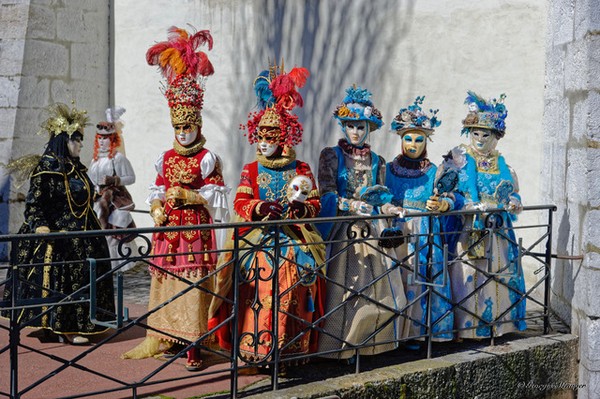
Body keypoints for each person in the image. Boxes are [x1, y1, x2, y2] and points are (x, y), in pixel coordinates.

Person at [122, 26, 230, 371]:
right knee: (164, 280)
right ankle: (160, 336)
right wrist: (154, 206)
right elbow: (156, 186)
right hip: (168, 231)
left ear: (197, 124)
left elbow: (218, 195)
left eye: (188, 127)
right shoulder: (165, 156)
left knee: (193, 281)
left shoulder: (207, 157)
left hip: (195, 231)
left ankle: (194, 344)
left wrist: (190, 195)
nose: (183, 132)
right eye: (178, 128)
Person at [208, 63, 325, 367]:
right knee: (258, 278)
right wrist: (261, 208)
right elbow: (241, 202)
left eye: (270, 137)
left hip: (293, 235)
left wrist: (302, 208)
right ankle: (257, 348)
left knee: (300, 276)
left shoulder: (301, 169)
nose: (263, 142)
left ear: (283, 137)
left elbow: (315, 202)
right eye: (260, 136)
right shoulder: (251, 169)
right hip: (258, 236)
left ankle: (290, 349)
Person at [1, 102, 115, 345]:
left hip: (85, 233)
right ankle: (64, 327)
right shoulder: (47, 169)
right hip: (59, 236)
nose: (81, 145)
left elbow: (79, 197)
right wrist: (41, 226)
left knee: (88, 272)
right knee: (66, 273)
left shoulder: (77, 168)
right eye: (77, 140)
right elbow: (34, 204)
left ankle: (89, 321)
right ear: (65, 140)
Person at [316, 86, 405, 360]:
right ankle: (338, 346)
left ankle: (371, 343)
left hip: (370, 231)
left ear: (370, 128)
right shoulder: (331, 155)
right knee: (344, 286)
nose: (355, 132)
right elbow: (327, 194)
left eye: (360, 126)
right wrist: (351, 204)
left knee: (373, 286)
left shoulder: (378, 161)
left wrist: (391, 207)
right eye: (350, 126)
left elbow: (381, 195)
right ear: (343, 126)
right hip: (343, 232)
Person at [446, 91, 526, 339]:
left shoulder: (505, 167)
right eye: (475, 133)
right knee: (469, 275)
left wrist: (513, 202)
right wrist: (467, 205)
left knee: (497, 276)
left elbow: (515, 194)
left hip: (499, 233)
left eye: (486, 134)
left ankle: (498, 326)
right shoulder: (457, 161)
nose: (480, 139)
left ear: (496, 137)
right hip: (469, 229)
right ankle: (468, 329)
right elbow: (448, 193)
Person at [381, 97, 458, 346]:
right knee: (396, 279)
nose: (412, 144)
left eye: (418, 139)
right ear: (401, 139)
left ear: (426, 141)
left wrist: (440, 205)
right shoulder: (387, 170)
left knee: (421, 278)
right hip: (397, 231)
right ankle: (394, 335)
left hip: (424, 233)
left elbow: (452, 198)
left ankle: (420, 332)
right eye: (408, 138)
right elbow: (381, 197)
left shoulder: (435, 170)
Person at [88, 107, 137, 271]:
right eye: (100, 138)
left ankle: (117, 265)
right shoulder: (94, 160)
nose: (102, 141)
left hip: (115, 198)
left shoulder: (118, 158)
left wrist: (114, 180)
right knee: (99, 232)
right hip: (98, 198)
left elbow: (131, 178)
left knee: (114, 233)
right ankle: (102, 265)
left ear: (112, 139)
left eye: (106, 138)